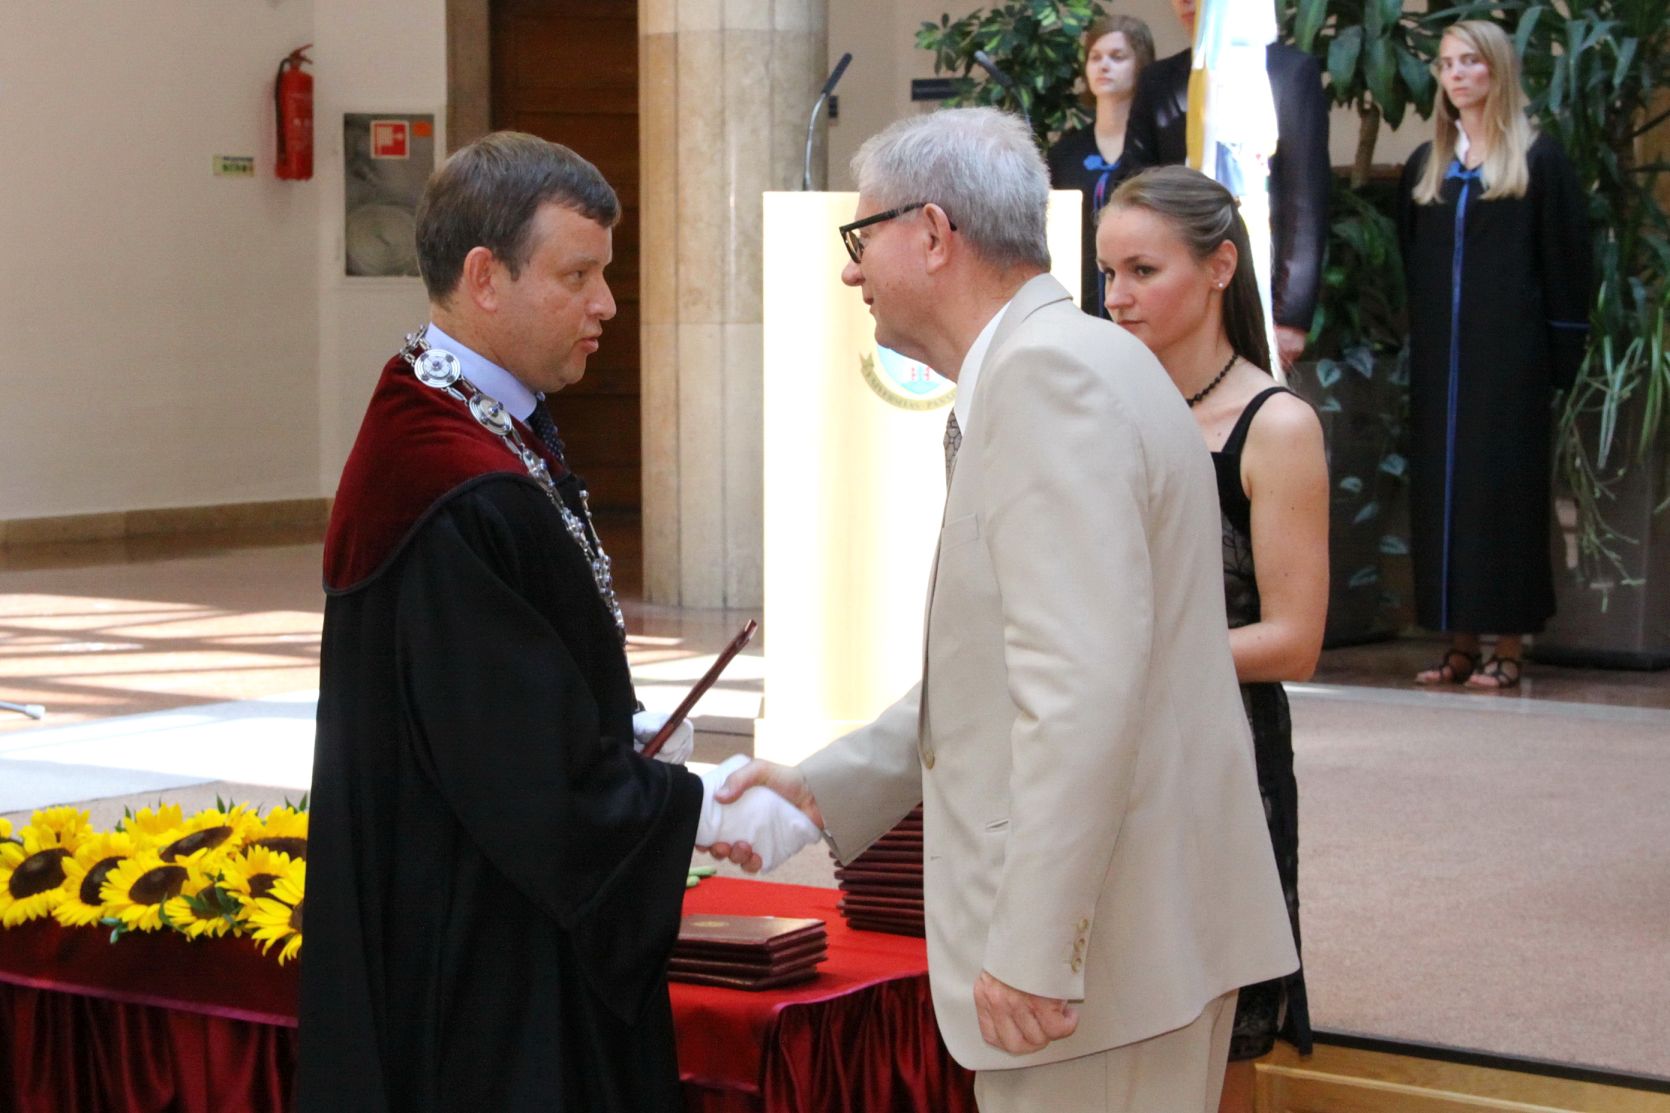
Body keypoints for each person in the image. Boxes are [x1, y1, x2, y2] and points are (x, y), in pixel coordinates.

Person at [709, 107, 1297, 1113]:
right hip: (1138, 945)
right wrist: (820, 788)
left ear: (933, 233)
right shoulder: (1075, 357)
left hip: (1102, 969)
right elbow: (1001, 661)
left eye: (863, 236)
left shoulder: (1043, 378)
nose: (850, 270)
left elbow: (1080, 690)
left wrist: (1034, 946)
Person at [296, 131, 809, 1112]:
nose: (606, 304)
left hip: (481, 907)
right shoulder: (449, 479)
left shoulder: (463, 416)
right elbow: (520, 769)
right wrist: (701, 809)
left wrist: (617, 729)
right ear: (485, 278)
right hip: (476, 962)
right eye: (577, 275)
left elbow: (499, 692)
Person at [1098, 165, 1329, 1113]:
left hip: (1219, 756)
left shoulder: (1277, 426)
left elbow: (1294, 642)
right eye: (1107, 272)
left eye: (1143, 270)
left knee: (1216, 1030)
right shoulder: (1101, 409)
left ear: (1221, 267)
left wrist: (1137, 658)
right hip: (1105, 748)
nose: (1116, 296)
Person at [1397, 21, 1591, 691]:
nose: (1455, 74)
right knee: (1443, 498)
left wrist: (1559, 359)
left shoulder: (1540, 162)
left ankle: (1507, 645)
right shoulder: (1428, 167)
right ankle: (1456, 642)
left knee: (1503, 500)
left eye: (1470, 62)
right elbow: (1412, 264)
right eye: (1447, 63)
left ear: (1497, 70)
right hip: (1441, 367)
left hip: (1511, 365)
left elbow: (1566, 265)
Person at [1123, 0, 1330, 366]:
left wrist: (1291, 315)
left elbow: (1305, 201)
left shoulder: (1288, 71)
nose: (1187, 3)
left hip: (1259, 282)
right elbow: (1136, 188)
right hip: (1177, 287)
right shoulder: (1159, 80)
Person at [1046, 14, 1154, 315]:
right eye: (1095, 57)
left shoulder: (1155, 149)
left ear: (1142, 64)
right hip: (1077, 301)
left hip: (1142, 303)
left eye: (1117, 57)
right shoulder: (1064, 153)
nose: (1104, 65)